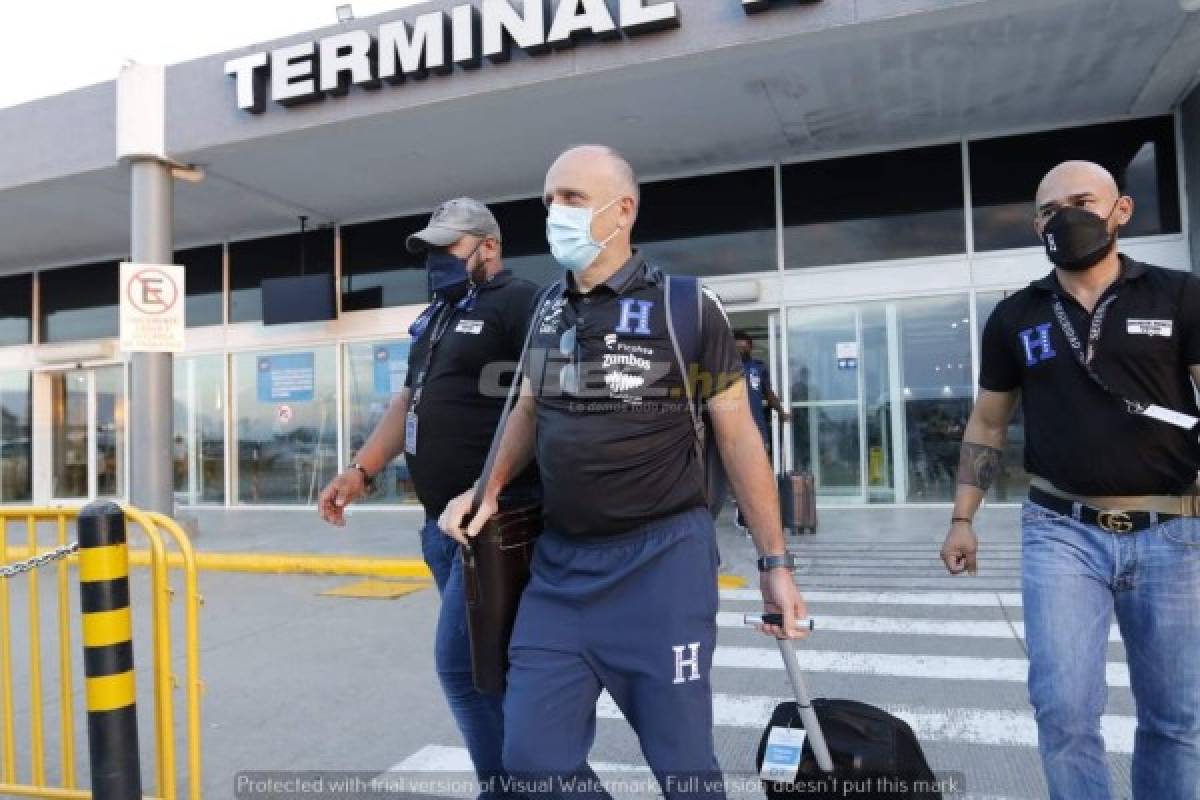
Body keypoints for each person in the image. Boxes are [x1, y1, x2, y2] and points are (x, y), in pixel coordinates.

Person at [441, 145, 807, 800]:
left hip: (661, 569)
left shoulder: (688, 307)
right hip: (560, 574)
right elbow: (528, 408)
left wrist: (775, 564)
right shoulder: (548, 310)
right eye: (549, 199)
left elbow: (740, 438)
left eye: (573, 199)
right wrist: (488, 487)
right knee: (530, 760)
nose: (555, 212)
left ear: (623, 209)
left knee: (684, 768)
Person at [939, 160, 1200, 800]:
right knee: (1062, 712)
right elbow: (989, 422)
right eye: (1051, 211)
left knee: (1177, 719)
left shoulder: (1180, 295)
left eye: (1081, 202)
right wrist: (962, 517)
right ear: (1036, 226)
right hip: (1061, 531)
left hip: (1173, 533)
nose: (1067, 218)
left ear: (1121, 211)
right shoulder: (1015, 316)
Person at [317, 197, 538, 800]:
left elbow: (540, 403)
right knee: (491, 671)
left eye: (449, 247)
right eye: (431, 250)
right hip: (438, 531)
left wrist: (490, 487)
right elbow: (406, 403)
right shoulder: (438, 316)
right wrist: (360, 471)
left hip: (492, 524)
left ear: (487, 246)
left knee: (463, 669)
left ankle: (511, 789)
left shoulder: (521, 304)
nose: (437, 261)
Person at [733, 332, 789, 533]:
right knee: (742, 475)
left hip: (758, 429)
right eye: (737, 346)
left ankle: (757, 517)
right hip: (736, 430)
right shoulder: (725, 369)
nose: (741, 349)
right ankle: (743, 514)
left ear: (750, 346)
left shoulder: (758, 367)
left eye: (744, 345)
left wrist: (781, 412)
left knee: (760, 473)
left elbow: (769, 394)